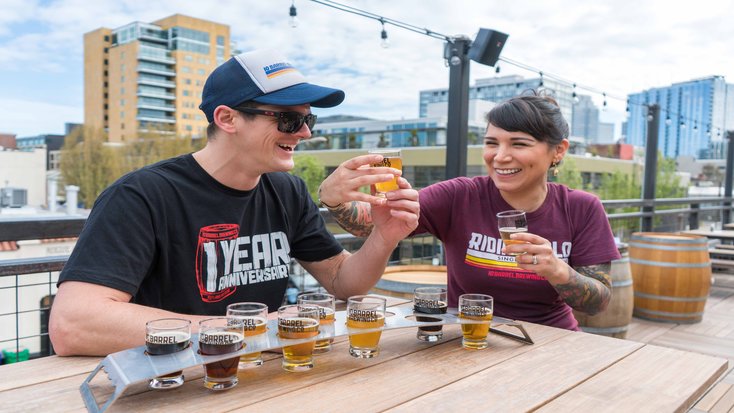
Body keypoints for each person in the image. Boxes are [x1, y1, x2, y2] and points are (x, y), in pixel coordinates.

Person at [49, 50, 419, 356]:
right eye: (289, 119)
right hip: (173, 381)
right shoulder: (142, 195)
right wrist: (255, 329)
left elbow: (342, 283)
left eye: (309, 119)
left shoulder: (286, 191)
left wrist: (384, 237)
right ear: (227, 118)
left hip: (263, 377)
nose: (305, 132)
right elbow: (73, 324)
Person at [317, 92, 619, 330]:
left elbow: (599, 302)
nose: (500, 156)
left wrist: (558, 271)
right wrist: (333, 198)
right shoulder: (459, 196)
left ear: (558, 151)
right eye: (491, 143)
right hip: (468, 337)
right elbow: (370, 227)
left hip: (550, 342)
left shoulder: (582, 208)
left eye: (519, 144)